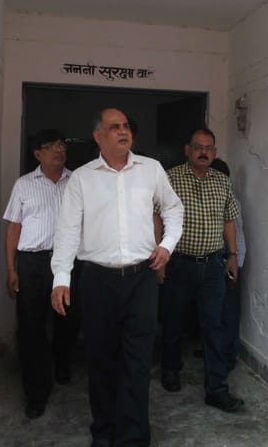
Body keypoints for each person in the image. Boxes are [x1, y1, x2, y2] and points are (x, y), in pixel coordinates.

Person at [50, 109, 183, 447]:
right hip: (97, 281)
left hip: (141, 279)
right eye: (114, 127)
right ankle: (105, 432)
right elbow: (67, 230)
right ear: (98, 136)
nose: (123, 131)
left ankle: (133, 438)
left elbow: (173, 207)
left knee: (137, 363)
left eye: (126, 126)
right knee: (101, 361)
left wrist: (167, 245)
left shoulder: (151, 169)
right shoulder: (82, 178)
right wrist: (61, 277)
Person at [160, 128, 244, 412]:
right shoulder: (170, 178)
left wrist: (232, 256)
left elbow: (229, 221)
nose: (203, 152)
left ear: (215, 152)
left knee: (214, 326)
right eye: (198, 147)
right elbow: (157, 217)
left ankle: (216, 388)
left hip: (212, 266)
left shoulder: (222, 181)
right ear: (187, 150)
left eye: (209, 148)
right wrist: (159, 256)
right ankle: (171, 369)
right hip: (178, 263)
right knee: (173, 321)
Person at [3, 129, 81, 419]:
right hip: (33, 264)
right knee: (31, 326)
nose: (59, 150)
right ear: (37, 154)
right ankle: (36, 391)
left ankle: (61, 361)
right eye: (51, 146)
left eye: (61, 145)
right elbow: (14, 228)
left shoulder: (77, 182)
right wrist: (11, 269)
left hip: (69, 262)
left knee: (69, 319)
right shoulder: (24, 185)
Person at [210, 158, 247, 372]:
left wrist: (235, 263)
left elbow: (237, 236)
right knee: (216, 311)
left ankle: (229, 355)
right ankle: (216, 351)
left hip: (228, 261)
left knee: (228, 312)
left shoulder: (231, 201)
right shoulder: (216, 199)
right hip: (219, 260)